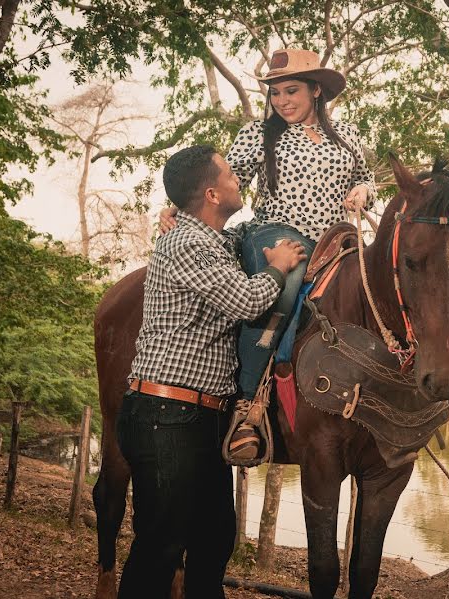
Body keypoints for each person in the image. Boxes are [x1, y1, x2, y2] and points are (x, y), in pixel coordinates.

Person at [159, 48, 377, 460]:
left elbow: (365, 177)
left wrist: (364, 190)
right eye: (275, 93)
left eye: (290, 90)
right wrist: (178, 207)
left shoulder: (348, 134)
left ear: (316, 90)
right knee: (287, 281)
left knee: (375, 289)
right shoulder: (259, 134)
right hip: (279, 232)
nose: (282, 101)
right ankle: (248, 405)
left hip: (336, 239)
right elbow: (221, 183)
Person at [118, 145, 306, 598]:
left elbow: (239, 241)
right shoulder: (185, 242)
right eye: (229, 174)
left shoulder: (211, 241)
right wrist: (279, 268)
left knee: (214, 541)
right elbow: (245, 301)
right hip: (166, 413)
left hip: (200, 418)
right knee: (160, 549)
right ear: (211, 193)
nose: (237, 178)